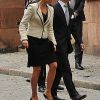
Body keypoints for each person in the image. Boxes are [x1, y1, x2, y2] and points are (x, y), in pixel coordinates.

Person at [19, 0, 57, 99]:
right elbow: (22, 24)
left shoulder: (51, 9)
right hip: (32, 41)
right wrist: (24, 38)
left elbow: (50, 28)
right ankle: (34, 95)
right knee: (37, 69)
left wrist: (53, 42)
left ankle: (48, 92)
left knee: (54, 65)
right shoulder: (32, 7)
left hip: (45, 41)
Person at [51, 0, 86, 100]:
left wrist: (80, 42)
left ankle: (50, 93)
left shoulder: (70, 9)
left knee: (59, 70)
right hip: (56, 45)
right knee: (66, 69)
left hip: (65, 45)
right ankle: (73, 94)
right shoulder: (54, 8)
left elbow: (73, 28)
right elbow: (50, 28)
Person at [69, 0, 86, 70]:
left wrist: (76, 13)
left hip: (77, 19)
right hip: (67, 19)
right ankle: (62, 62)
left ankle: (78, 63)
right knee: (63, 38)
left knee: (79, 40)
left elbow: (81, 5)